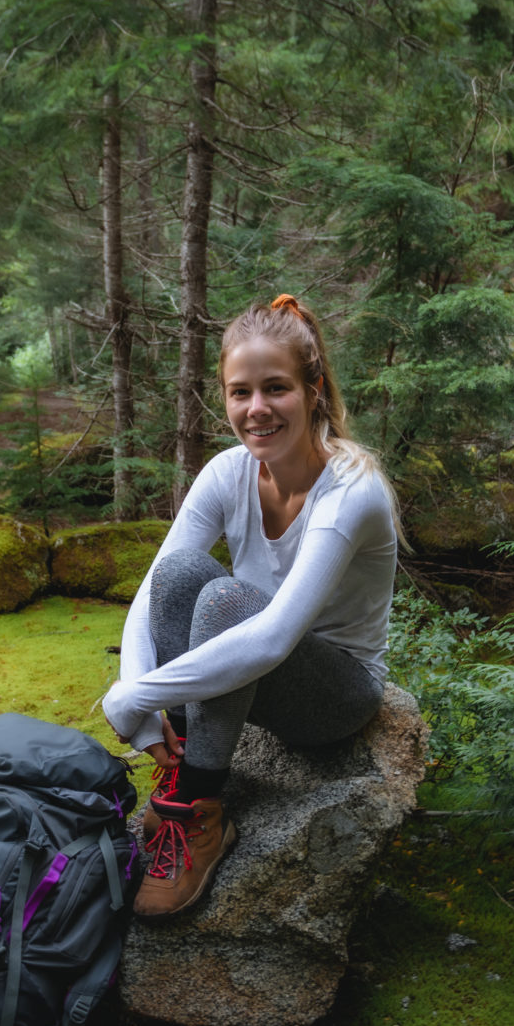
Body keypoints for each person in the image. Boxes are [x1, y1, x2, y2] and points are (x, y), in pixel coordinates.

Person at [101, 294, 400, 917]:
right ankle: (180, 768)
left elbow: (270, 639)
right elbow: (154, 589)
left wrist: (142, 697)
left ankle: (201, 813)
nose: (257, 409)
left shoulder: (352, 490)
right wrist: (133, 688)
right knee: (184, 572)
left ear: (314, 390)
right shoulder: (226, 473)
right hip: (256, 674)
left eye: (276, 389)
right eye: (241, 393)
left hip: (335, 694)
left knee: (229, 599)